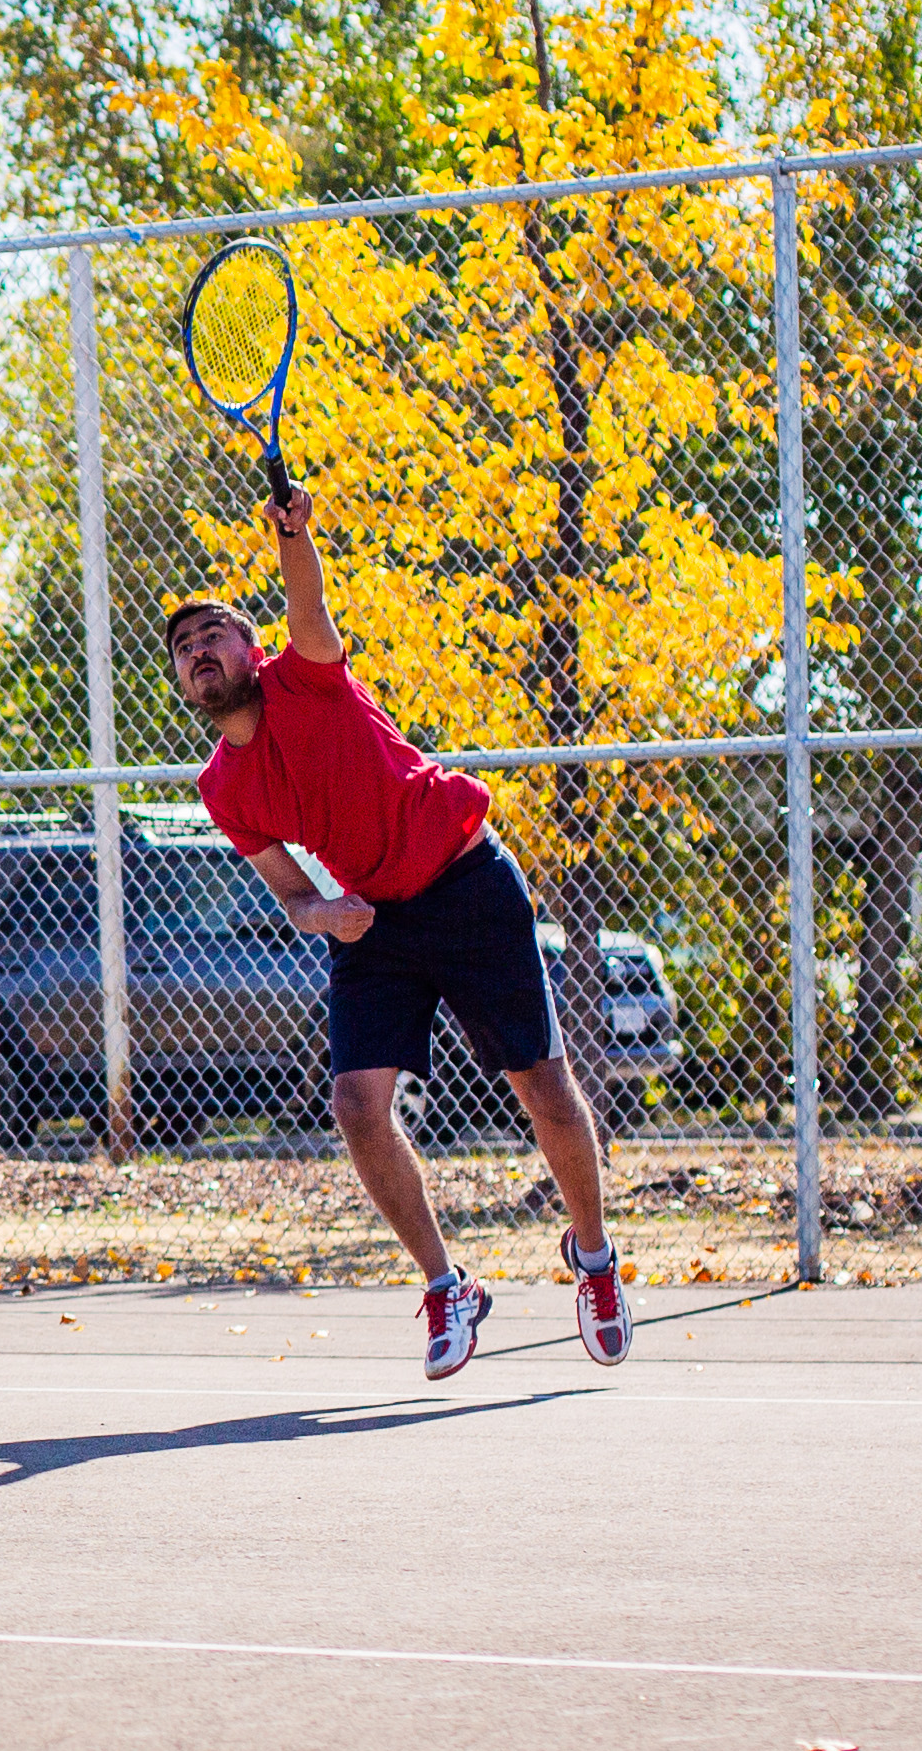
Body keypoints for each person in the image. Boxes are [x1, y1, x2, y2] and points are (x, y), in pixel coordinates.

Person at [163, 487, 629, 1378]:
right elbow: (291, 895)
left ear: (249, 650)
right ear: (182, 682)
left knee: (543, 1083)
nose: (197, 652)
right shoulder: (220, 788)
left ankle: (594, 1258)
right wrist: (322, 914)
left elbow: (308, 599)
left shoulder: (307, 673)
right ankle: (448, 1285)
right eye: (183, 650)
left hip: (465, 879)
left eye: (211, 634)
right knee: (353, 1106)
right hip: (372, 917)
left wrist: (292, 535)